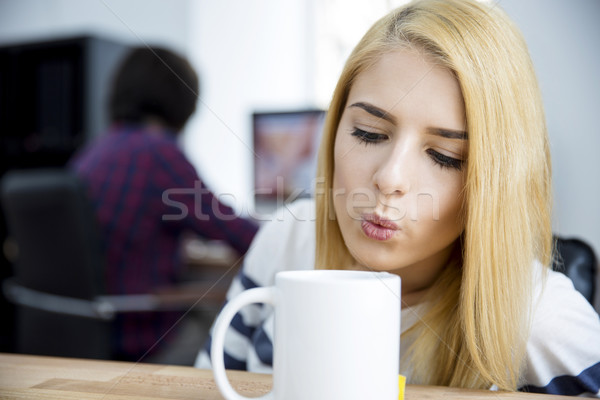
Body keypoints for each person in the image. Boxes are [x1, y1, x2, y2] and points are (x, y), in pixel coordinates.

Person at [194, 0, 600, 396]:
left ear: (496, 181)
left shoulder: (539, 321)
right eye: (368, 133)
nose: (389, 179)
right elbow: (207, 384)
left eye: (446, 157)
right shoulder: (289, 235)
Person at [69, 46, 259, 362]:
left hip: (89, 331)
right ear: (182, 102)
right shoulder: (156, 154)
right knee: (239, 319)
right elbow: (239, 234)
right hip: (142, 340)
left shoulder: (92, 153)